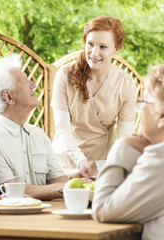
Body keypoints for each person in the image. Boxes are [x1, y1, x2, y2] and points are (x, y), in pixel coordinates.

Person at [0, 54, 68, 200]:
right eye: (24, 80)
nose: (33, 84)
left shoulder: (38, 134)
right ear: (9, 97)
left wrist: (79, 184)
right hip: (9, 219)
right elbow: (13, 192)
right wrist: (66, 187)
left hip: (45, 214)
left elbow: (60, 183)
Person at [51, 16, 137, 178]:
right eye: (90, 44)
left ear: (116, 49)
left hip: (103, 165)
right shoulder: (64, 75)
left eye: (103, 47)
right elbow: (62, 128)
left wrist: (113, 166)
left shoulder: (126, 84)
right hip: (65, 163)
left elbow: (124, 135)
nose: (94, 53)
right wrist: (80, 160)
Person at [92, 65, 164, 240]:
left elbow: (102, 209)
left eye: (143, 101)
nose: (137, 109)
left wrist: (123, 146)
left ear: (161, 116)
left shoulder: (160, 159)